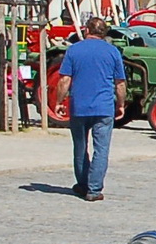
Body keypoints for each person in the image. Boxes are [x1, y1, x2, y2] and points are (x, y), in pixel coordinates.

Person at [55, 17, 128, 201]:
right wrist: (121, 104)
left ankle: (82, 184)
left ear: (87, 30)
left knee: (80, 147)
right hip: (104, 106)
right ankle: (94, 189)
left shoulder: (74, 50)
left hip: (79, 105)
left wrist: (58, 101)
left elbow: (64, 80)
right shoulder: (112, 52)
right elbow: (120, 83)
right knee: (101, 149)